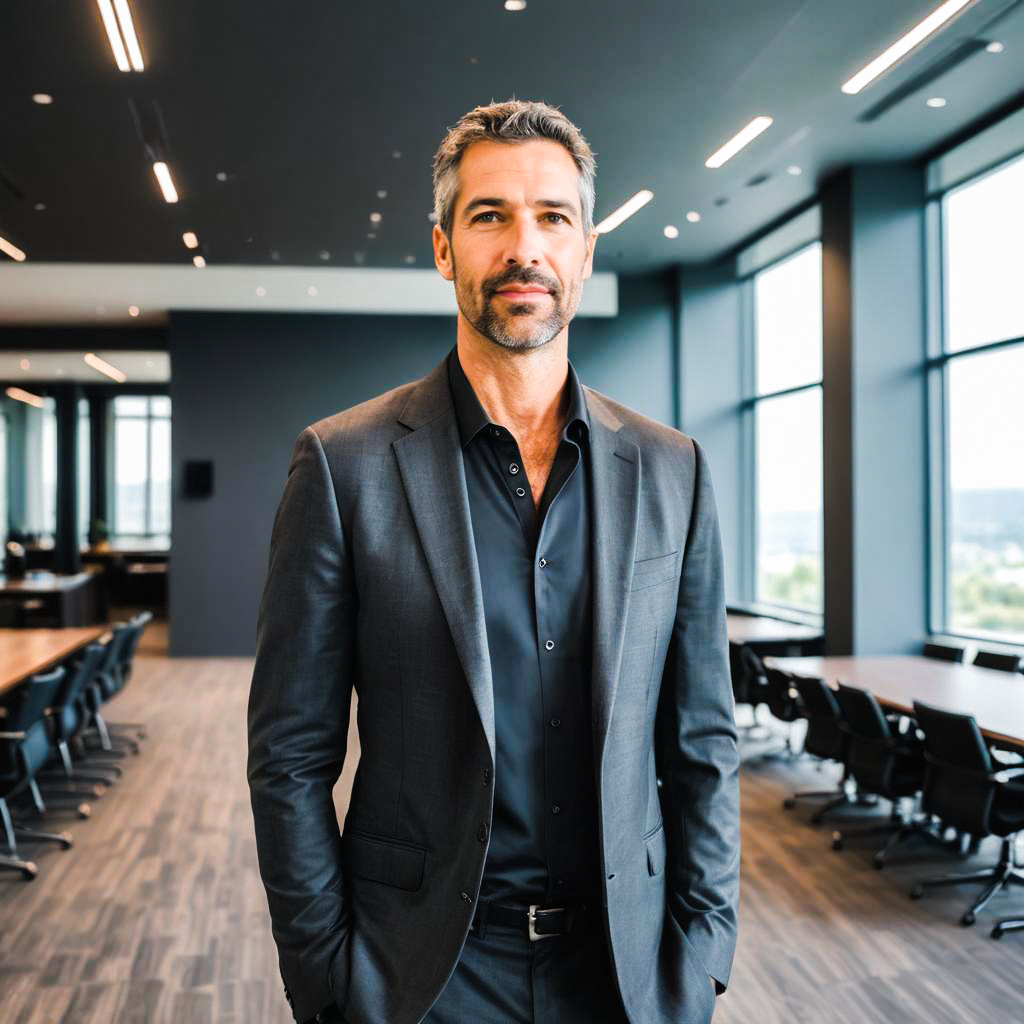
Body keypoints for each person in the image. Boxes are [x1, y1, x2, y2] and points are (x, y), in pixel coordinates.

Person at [247, 99, 740, 1024]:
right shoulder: (344, 464)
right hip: (420, 974)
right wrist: (325, 972)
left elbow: (702, 738)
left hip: (627, 973)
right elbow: (289, 754)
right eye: (491, 216)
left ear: (587, 251)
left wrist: (703, 947)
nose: (526, 247)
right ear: (443, 249)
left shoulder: (674, 469)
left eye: (554, 217)